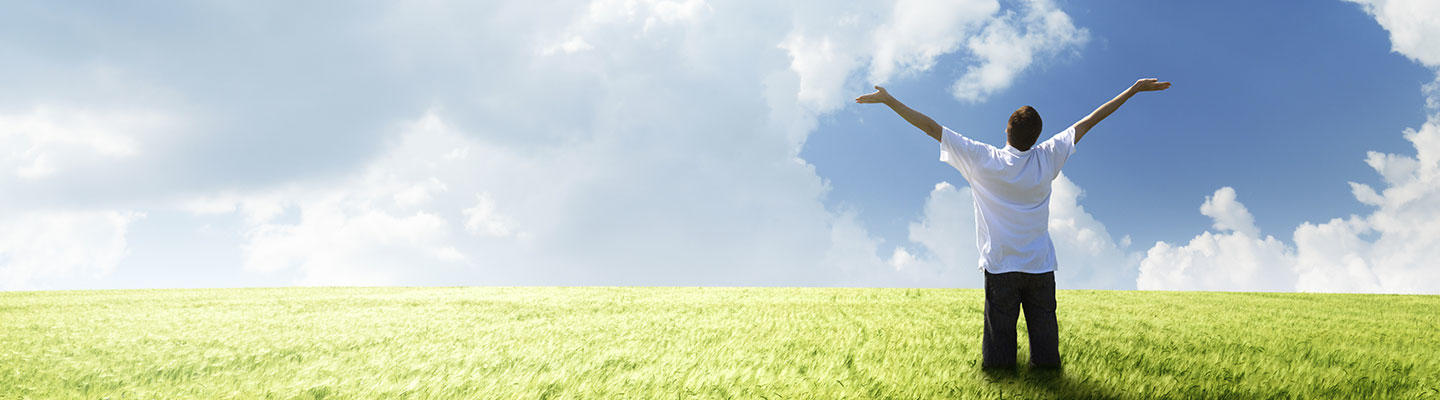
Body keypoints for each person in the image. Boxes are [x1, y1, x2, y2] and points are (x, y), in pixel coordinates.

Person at [855, 78, 1171, 369]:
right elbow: (1090, 121)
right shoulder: (1048, 157)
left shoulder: (981, 159)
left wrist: (889, 100)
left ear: (1007, 130)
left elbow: (929, 127)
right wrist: (1132, 90)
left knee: (998, 351)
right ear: (1037, 137)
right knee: (1046, 346)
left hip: (1001, 265)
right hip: (1039, 265)